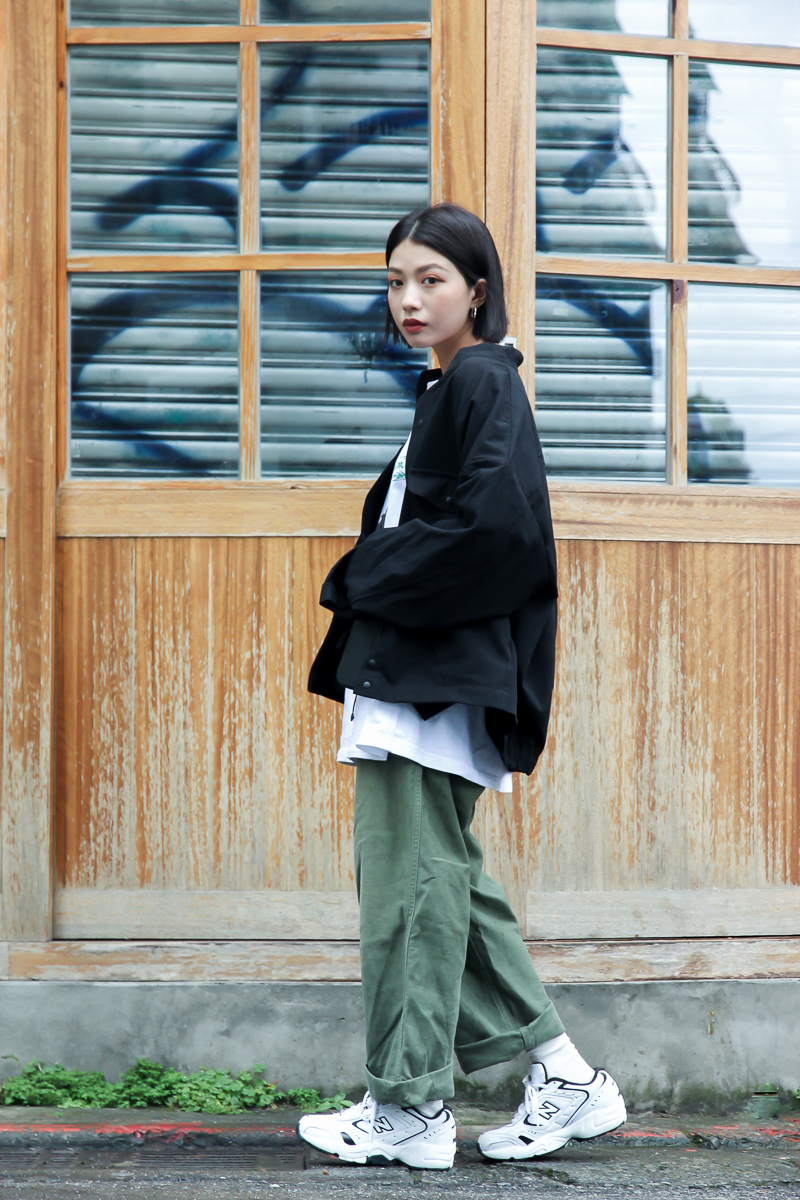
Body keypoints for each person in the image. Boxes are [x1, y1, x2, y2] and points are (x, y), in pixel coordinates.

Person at [299, 203, 626, 1170]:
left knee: (411, 892)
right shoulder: (456, 385)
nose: (408, 299)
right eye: (395, 281)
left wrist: (362, 574)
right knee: (446, 886)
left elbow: (500, 535)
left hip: (430, 684)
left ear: (476, 290)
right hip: (421, 678)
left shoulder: (481, 378)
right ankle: (564, 1076)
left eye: (430, 279)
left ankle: (408, 1107)